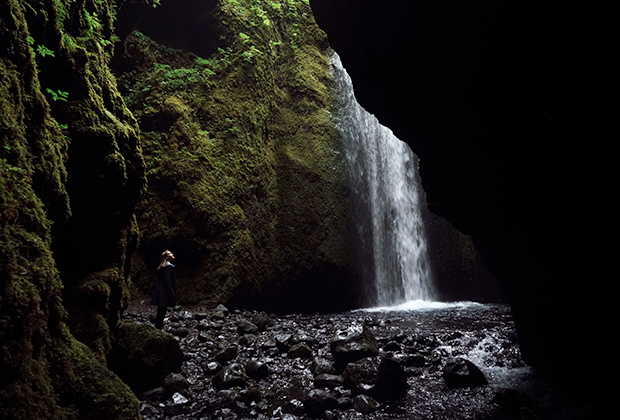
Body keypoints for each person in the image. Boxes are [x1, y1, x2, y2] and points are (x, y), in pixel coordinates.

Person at [151, 249, 176, 329]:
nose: (172, 254)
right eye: (170, 253)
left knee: (161, 310)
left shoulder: (163, 267)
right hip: (164, 292)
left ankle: (158, 327)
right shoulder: (167, 267)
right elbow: (167, 281)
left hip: (161, 290)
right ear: (167, 257)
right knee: (162, 310)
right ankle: (158, 327)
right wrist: (171, 292)